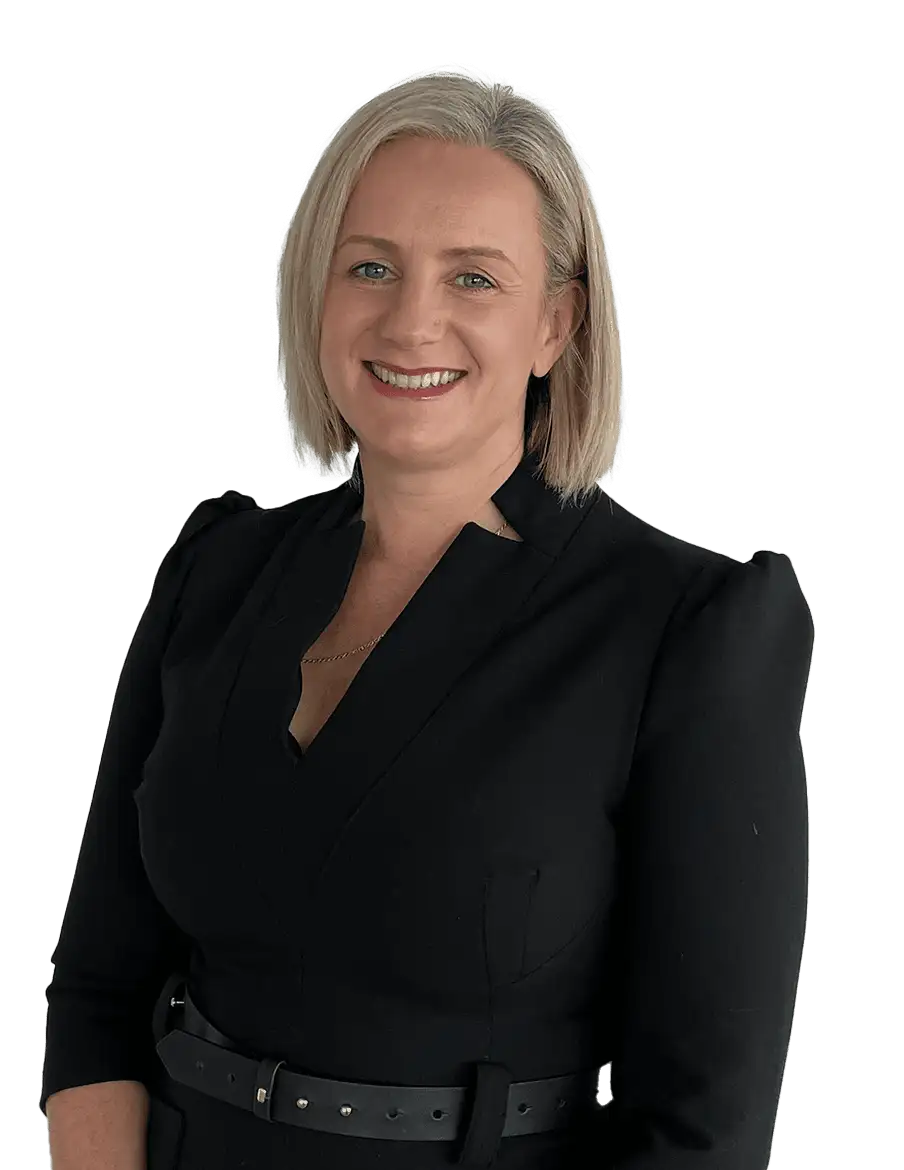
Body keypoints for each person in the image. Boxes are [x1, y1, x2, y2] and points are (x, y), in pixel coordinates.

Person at [40, 72, 813, 1169]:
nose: (411, 321)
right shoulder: (219, 568)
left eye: (473, 277)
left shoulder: (686, 628)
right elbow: (97, 989)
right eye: (370, 267)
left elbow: (701, 1133)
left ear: (555, 323)